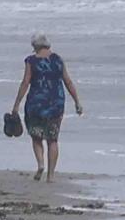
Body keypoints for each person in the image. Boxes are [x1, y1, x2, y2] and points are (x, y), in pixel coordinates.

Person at [11, 33, 82, 182]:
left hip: (36, 104)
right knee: (53, 139)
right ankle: (50, 176)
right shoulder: (57, 60)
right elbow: (68, 82)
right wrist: (77, 102)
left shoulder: (31, 61)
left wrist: (16, 104)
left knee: (36, 136)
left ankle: (41, 164)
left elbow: (25, 83)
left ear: (34, 46)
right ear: (48, 44)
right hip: (56, 103)